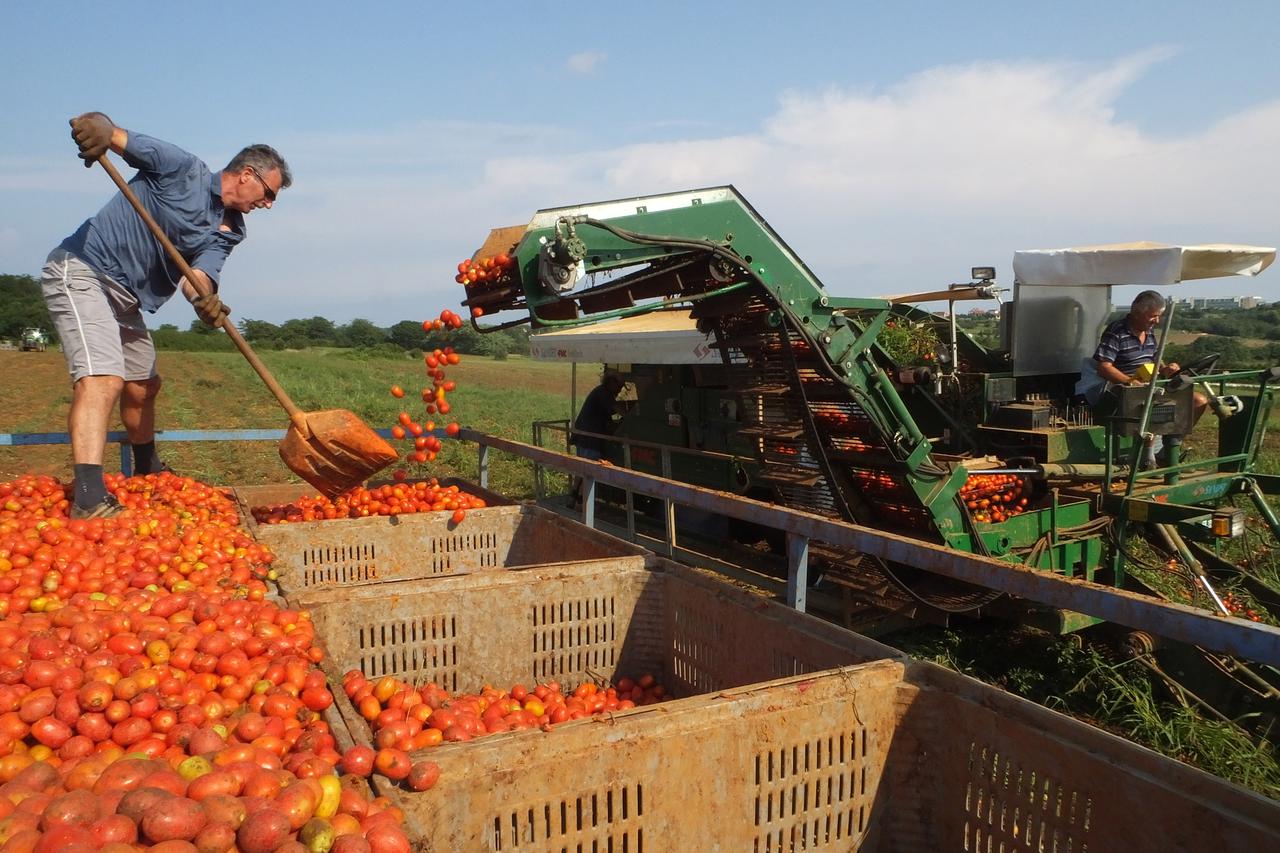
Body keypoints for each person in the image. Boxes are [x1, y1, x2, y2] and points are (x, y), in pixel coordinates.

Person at [42, 112, 291, 518]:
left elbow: (197, 278)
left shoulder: (231, 227)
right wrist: (100, 128)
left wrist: (207, 300)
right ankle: (88, 495)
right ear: (247, 174)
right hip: (84, 269)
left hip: (127, 297)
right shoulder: (183, 169)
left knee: (143, 386)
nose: (267, 204)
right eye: (269, 194)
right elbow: (118, 138)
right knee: (104, 378)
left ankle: (146, 468)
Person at [1088, 290, 1207, 467]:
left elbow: (1155, 360)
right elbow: (1104, 368)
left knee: (1198, 401)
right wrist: (1129, 381)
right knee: (1151, 403)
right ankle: (1146, 458)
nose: (1156, 321)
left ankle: (1169, 449)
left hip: (1149, 384)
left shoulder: (1149, 332)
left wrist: (1166, 368)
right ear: (1137, 311)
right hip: (1122, 390)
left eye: (1159, 316)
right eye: (1153, 316)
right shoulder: (1116, 332)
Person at [569, 372, 626, 508]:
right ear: (611, 383)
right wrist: (631, 416)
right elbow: (617, 409)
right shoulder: (603, 393)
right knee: (588, 469)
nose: (619, 390)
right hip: (590, 437)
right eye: (619, 386)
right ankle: (582, 503)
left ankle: (573, 498)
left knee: (582, 468)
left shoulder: (601, 392)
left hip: (584, 435)